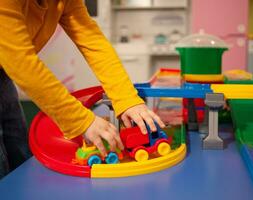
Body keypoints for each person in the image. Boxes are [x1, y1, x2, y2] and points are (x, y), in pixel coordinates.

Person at [0, 0, 165, 179]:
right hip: (10, 64)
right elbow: (23, 64)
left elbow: (92, 41)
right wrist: (81, 120)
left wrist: (127, 99)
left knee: (17, 148)